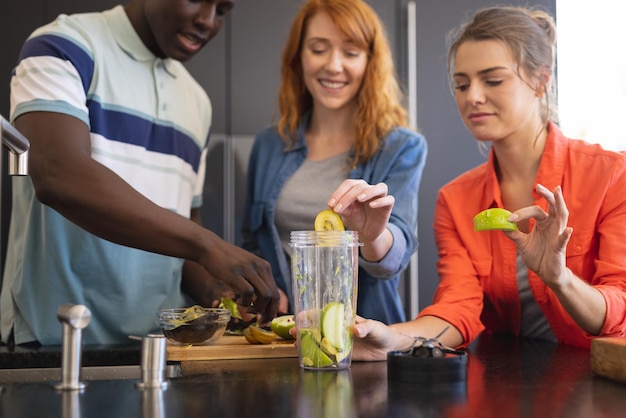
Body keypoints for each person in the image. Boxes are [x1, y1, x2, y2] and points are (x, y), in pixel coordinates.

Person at [351, 5, 626, 360]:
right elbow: (457, 307)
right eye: (462, 85)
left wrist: (561, 279)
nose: (472, 97)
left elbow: (618, 311)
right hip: (513, 384)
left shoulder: (611, 174)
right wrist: (389, 339)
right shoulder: (457, 200)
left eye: (493, 80)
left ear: (541, 80)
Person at [0, 0, 279, 347]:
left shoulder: (196, 101)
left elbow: (183, 231)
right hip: (56, 344)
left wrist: (218, 290)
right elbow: (57, 174)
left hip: (160, 352)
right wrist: (209, 246)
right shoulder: (64, 44)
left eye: (222, 10)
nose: (207, 21)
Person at [241, 0, 427, 325]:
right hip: (281, 335)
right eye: (318, 49)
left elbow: (390, 262)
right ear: (298, 58)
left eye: (351, 52)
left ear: (370, 62)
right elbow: (252, 243)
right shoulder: (269, 144)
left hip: (364, 342)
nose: (334, 65)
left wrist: (372, 235)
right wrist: (262, 289)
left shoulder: (401, 147)